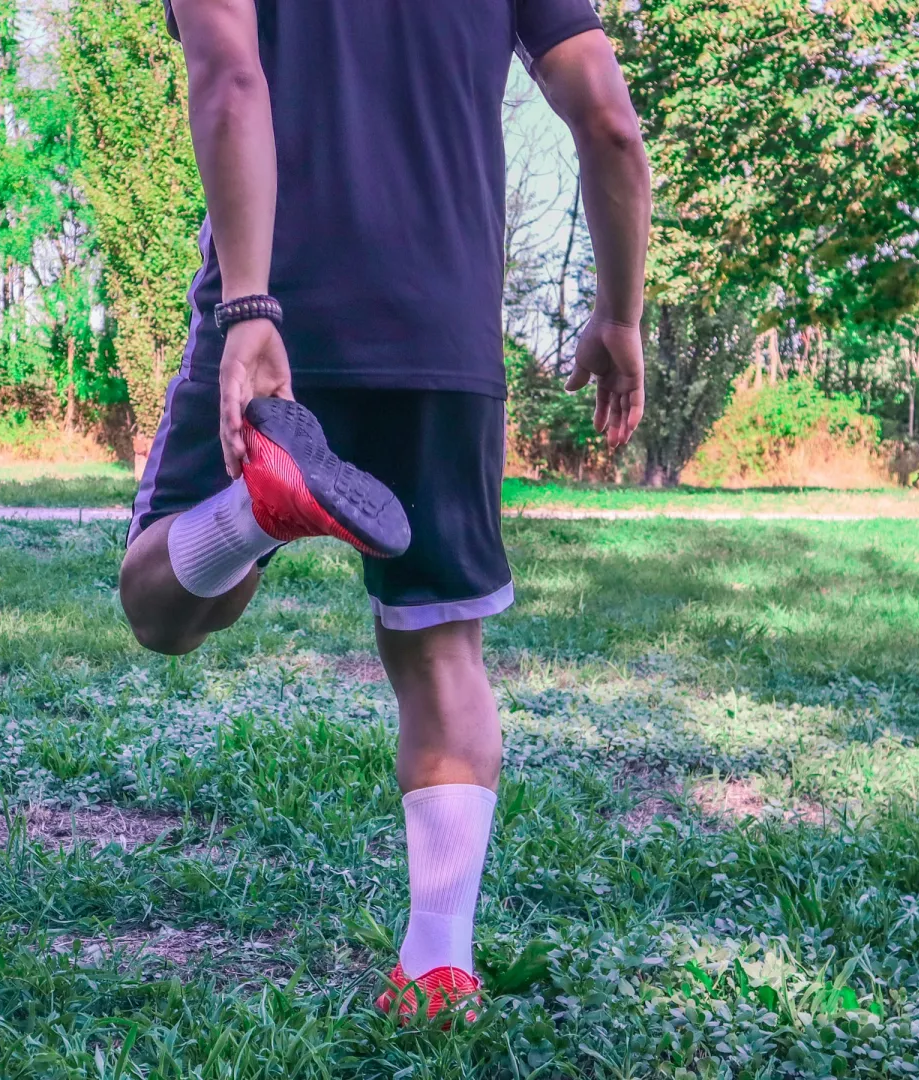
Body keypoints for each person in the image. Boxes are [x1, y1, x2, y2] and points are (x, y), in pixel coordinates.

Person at [119, 0, 651, 1024]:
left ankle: (259, 513)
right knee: (441, 647)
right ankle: (439, 967)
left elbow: (230, 76)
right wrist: (619, 313)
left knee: (161, 609)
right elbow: (610, 123)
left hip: (280, 311)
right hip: (442, 330)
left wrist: (248, 308)